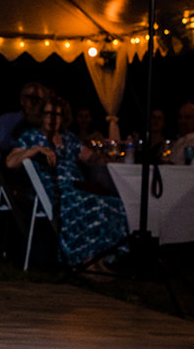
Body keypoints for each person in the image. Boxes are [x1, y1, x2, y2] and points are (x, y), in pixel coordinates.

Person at [7, 98, 127, 269]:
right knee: (93, 204)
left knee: (115, 203)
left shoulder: (69, 138)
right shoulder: (31, 136)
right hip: (53, 189)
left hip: (77, 186)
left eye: (57, 114)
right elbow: (10, 162)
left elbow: (90, 156)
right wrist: (35, 150)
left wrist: (105, 157)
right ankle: (84, 261)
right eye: (48, 113)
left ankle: (101, 260)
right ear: (41, 115)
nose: (52, 118)